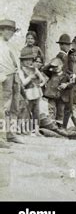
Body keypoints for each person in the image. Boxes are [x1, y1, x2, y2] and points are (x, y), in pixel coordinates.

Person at [0, 19, 24, 147]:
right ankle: (1, 137)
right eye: (7, 30)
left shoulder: (9, 45)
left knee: (14, 107)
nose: (10, 33)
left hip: (14, 77)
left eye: (12, 31)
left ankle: (11, 133)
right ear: (1, 30)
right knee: (3, 107)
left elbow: (15, 62)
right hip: (5, 77)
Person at [18, 47, 47, 136]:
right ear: (22, 61)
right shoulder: (21, 70)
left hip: (36, 93)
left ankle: (36, 130)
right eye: (25, 60)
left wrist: (40, 85)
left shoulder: (35, 69)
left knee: (36, 112)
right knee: (25, 112)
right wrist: (30, 77)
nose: (28, 62)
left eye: (29, 59)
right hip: (27, 93)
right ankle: (22, 129)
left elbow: (43, 80)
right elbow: (23, 83)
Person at [60, 48, 76, 128]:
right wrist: (73, 79)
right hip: (69, 89)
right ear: (69, 56)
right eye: (72, 55)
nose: (74, 57)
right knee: (69, 107)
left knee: (74, 106)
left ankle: (75, 124)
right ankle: (69, 125)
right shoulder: (67, 65)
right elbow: (67, 75)